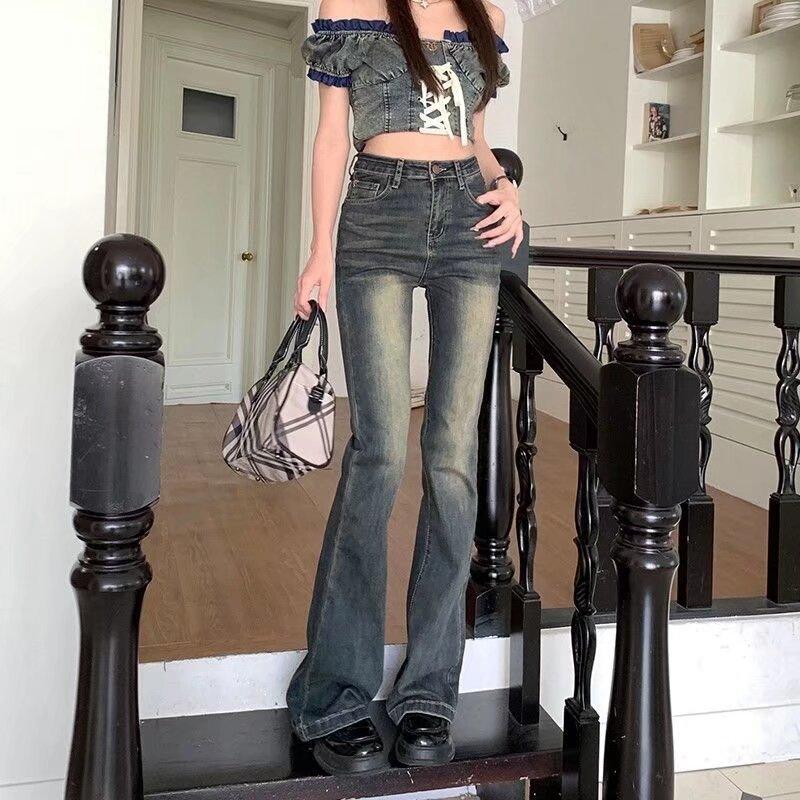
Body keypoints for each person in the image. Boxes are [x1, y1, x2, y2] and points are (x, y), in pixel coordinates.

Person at [287, 0, 522, 775]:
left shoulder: (484, 14)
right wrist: (319, 250)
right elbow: (332, 135)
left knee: (452, 459)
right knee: (381, 453)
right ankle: (334, 693)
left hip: (469, 223)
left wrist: (507, 188)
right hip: (378, 212)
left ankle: (429, 692)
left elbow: (476, 136)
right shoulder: (351, 6)